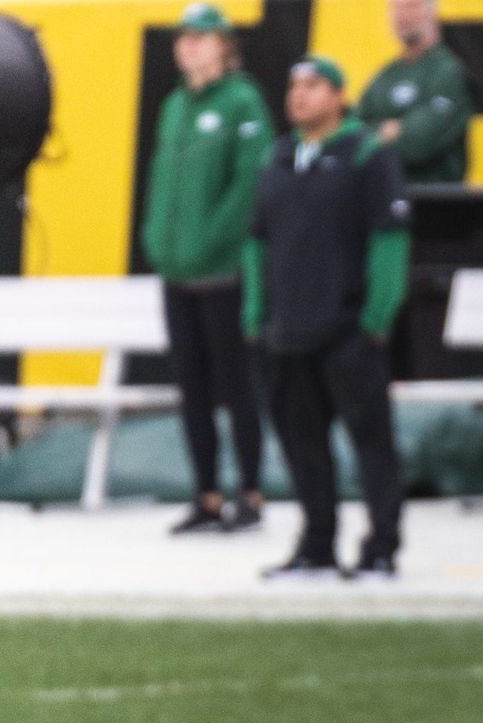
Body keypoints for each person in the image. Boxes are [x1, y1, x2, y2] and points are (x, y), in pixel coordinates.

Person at [243, 55, 412, 580]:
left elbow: (390, 242)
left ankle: (381, 546)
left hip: (347, 331)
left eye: (314, 86)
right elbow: (257, 242)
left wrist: (376, 319)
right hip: (288, 334)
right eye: (295, 85)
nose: (300, 95)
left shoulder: (366, 155)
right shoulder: (278, 157)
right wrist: (256, 314)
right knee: (302, 445)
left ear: (339, 96)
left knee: (371, 444)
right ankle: (317, 545)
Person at [141, 2, 271, 535]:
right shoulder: (174, 105)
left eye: (201, 36)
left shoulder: (243, 103)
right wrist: (157, 241)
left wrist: (208, 246)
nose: (188, 45)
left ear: (224, 45)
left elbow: (248, 189)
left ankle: (252, 493)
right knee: (191, 387)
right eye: (183, 37)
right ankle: (207, 495)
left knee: (237, 386)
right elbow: (160, 184)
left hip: (224, 274)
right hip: (177, 275)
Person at [358, 0, 476, 184]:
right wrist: (388, 131)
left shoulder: (447, 71)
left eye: (411, 6)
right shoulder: (385, 75)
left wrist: (382, 132)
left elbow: (418, 144)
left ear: (432, 13)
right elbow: (353, 137)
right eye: (396, 7)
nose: (402, 15)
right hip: (385, 197)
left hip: (436, 200)